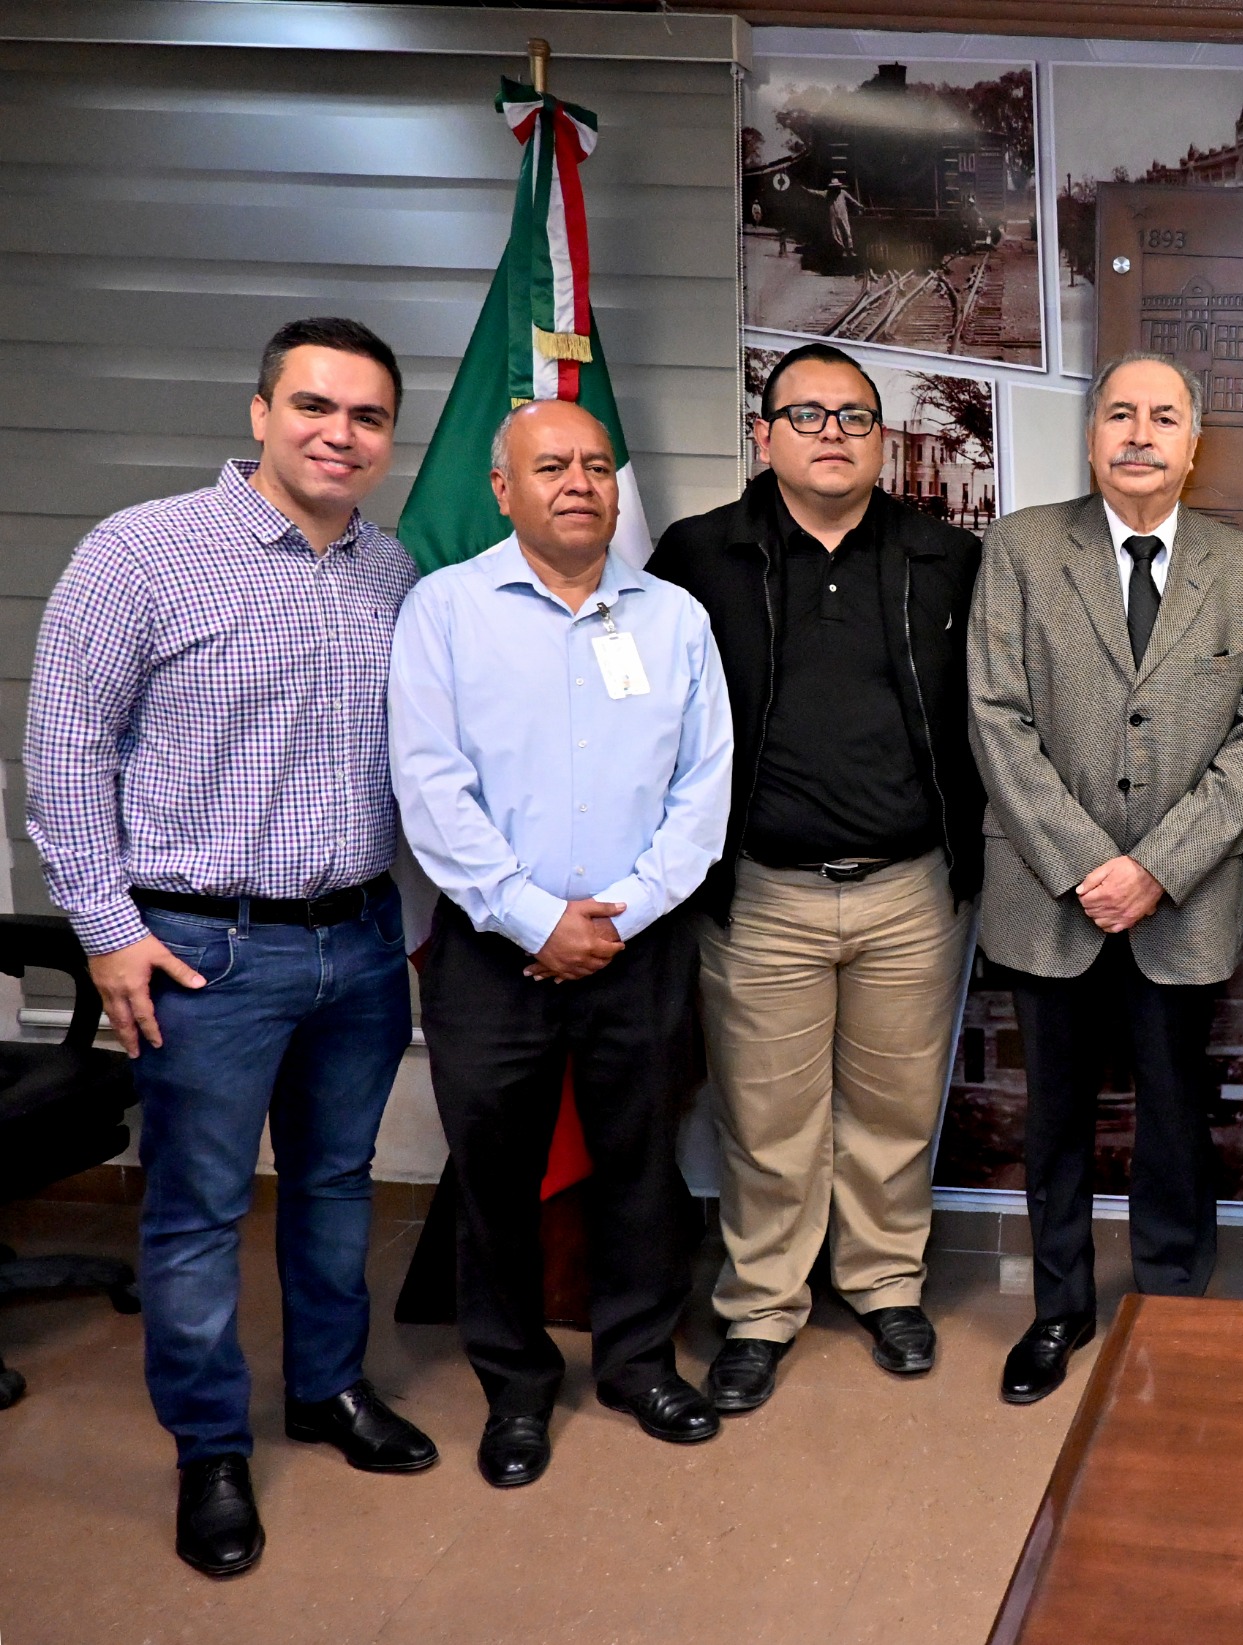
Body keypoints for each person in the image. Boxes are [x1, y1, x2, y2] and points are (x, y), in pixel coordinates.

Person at [25, 317, 434, 1578]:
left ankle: (326, 1390)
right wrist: (106, 932)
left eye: (367, 417)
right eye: (315, 406)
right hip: (201, 948)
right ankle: (210, 1445)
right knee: (199, 1209)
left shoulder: (396, 571)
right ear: (259, 412)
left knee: (333, 1184)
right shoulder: (142, 553)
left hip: (359, 940)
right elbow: (63, 751)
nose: (340, 434)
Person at [391, 399, 734, 1488]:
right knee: (495, 1172)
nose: (581, 480)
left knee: (642, 1164)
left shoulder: (674, 617)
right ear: (505, 489)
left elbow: (702, 789)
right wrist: (537, 920)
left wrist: (620, 914)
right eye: (552, 466)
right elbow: (429, 786)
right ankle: (517, 1384)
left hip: (641, 947)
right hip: (495, 953)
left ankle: (638, 1360)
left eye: (595, 464)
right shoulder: (444, 611)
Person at [652, 342, 983, 1414]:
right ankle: (760, 1307)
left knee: (892, 1112)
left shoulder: (942, 555)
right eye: (806, 415)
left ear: (882, 439)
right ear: (763, 436)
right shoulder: (700, 556)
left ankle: (884, 1282)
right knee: (766, 1118)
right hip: (761, 892)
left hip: (907, 888)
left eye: (853, 415)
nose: (831, 433)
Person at [966, 351, 1243, 1404]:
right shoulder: (1018, 550)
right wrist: (1086, 865)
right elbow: (996, 718)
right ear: (1092, 435)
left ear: (1194, 447)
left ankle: (1168, 1305)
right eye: (1118, 414)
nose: (1138, 433)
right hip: (1047, 895)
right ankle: (1058, 1308)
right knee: (1052, 1116)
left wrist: (1152, 869)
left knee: (1173, 1111)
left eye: (1162, 417)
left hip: (1180, 901)